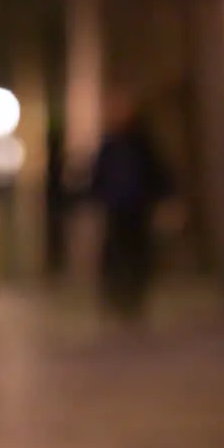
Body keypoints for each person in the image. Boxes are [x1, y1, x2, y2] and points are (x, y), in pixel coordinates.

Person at [87, 88, 173, 322]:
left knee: (138, 253)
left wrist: (164, 198)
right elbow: (98, 175)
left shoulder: (141, 142)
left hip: (138, 207)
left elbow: (157, 172)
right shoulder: (110, 144)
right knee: (115, 253)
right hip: (115, 208)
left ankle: (134, 298)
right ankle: (116, 298)